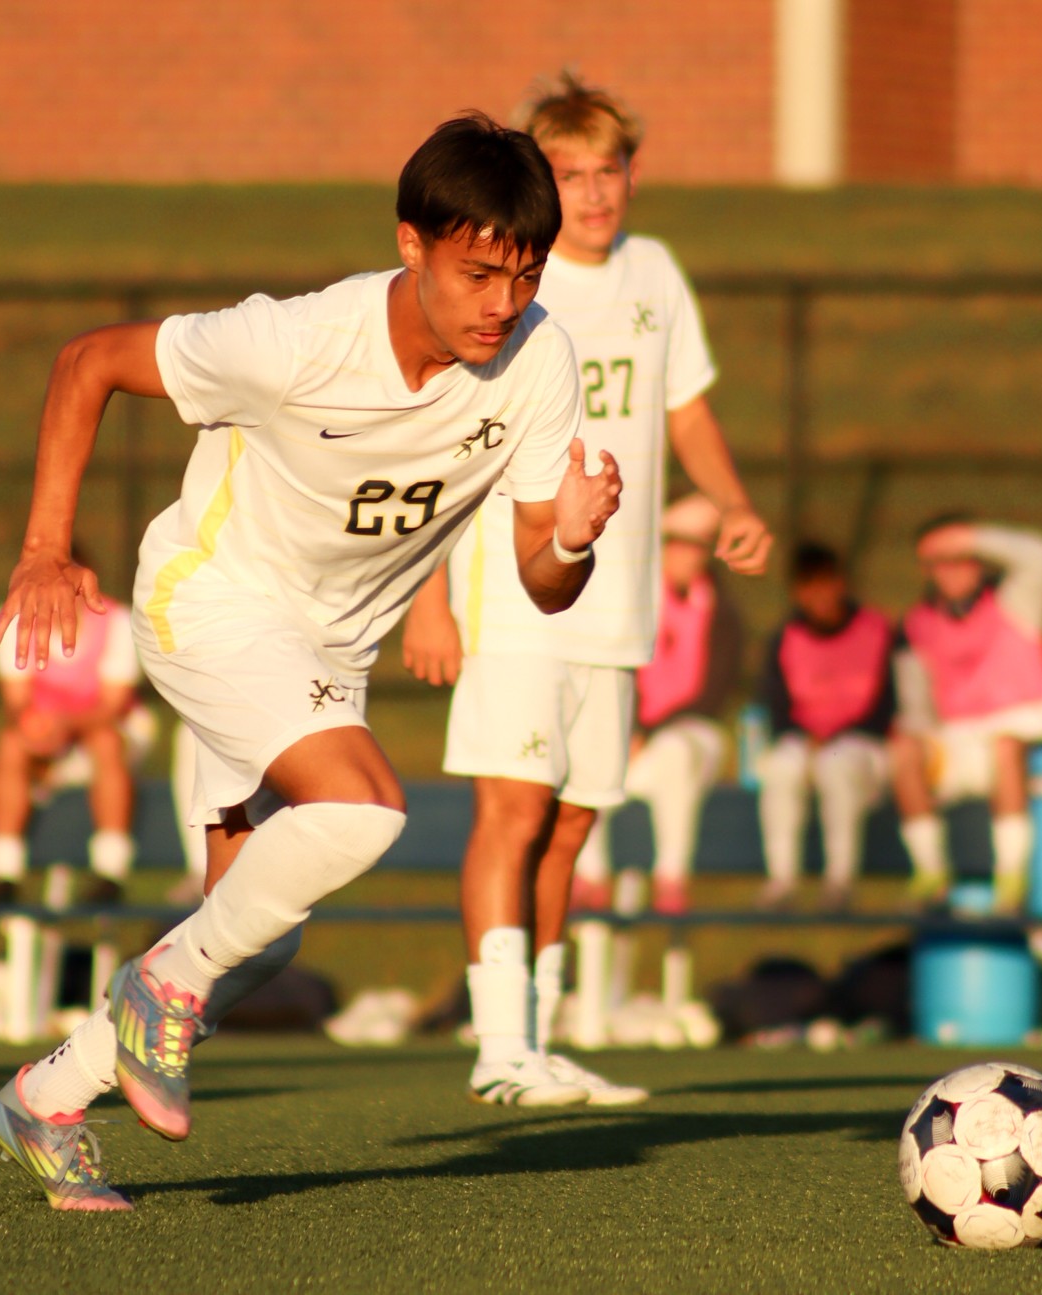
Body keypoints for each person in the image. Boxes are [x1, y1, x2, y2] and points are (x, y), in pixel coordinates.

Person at [0, 111, 623, 1211]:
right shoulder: (293, 341)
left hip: (324, 652)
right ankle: (154, 992)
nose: (501, 306)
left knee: (253, 944)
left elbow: (541, 581)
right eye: (478, 274)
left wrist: (570, 533)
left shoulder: (538, 356)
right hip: (211, 599)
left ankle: (45, 1096)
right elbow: (87, 361)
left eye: (521, 277)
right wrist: (44, 549)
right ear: (410, 242)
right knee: (365, 809)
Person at [402, 74, 770, 1107]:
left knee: (570, 823)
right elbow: (445, 439)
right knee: (512, 814)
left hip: (615, 605)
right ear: (538, 182)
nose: (595, 194)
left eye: (609, 171)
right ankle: (497, 1045)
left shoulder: (655, 274)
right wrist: (431, 594)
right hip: (516, 594)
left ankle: (544, 1036)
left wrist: (731, 502)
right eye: (570, 174)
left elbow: (685, 410)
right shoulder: (514, 283)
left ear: (632, 173)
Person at [571, 492, 744, 916]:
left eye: (698, 544)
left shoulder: (724, 615)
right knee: (586, 752)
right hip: (632, 738)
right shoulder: (631, 601)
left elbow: (710, 695)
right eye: (677, 541)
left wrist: (647, 731)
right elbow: (613, 670)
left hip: (687, 737)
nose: (686, 554)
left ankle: (672, 875)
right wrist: (629, 728)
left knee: (676, 751)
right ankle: (591, 874)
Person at [890, 515, 1042, 913]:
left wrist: (971, 536)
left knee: (1004, 747)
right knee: (903, 750)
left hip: (1018, 750)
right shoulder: (918, 623)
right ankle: (930, 872)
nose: (948, 570)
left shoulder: (1015, 602)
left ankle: (1010, 877)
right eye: (938, 561)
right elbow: (916, 707)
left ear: (980, 558)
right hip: (956, 746)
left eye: (959, 557)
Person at [0, 547, 145, 902]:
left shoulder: (117, 622)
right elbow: (16, 702)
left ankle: (110, 870)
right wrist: (38, 728)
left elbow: (113, 706)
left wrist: (65, 726)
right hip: (48, 740)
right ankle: (2, 872)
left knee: (106, 742)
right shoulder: (12, 619)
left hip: (103, 738)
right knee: (11, 744)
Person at [755, 542, 895, 912]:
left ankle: (839, 882)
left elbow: (887, 707)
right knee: (782, 767)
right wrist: (806, 739)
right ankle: (781, 881)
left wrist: (833, 736)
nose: (818, 595)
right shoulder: (785, 639)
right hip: (804, 744)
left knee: (836, 762)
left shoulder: (879, 631)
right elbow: (778, 710)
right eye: (808, 586)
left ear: (842, 583)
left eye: (826, 582)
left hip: (864, 748)